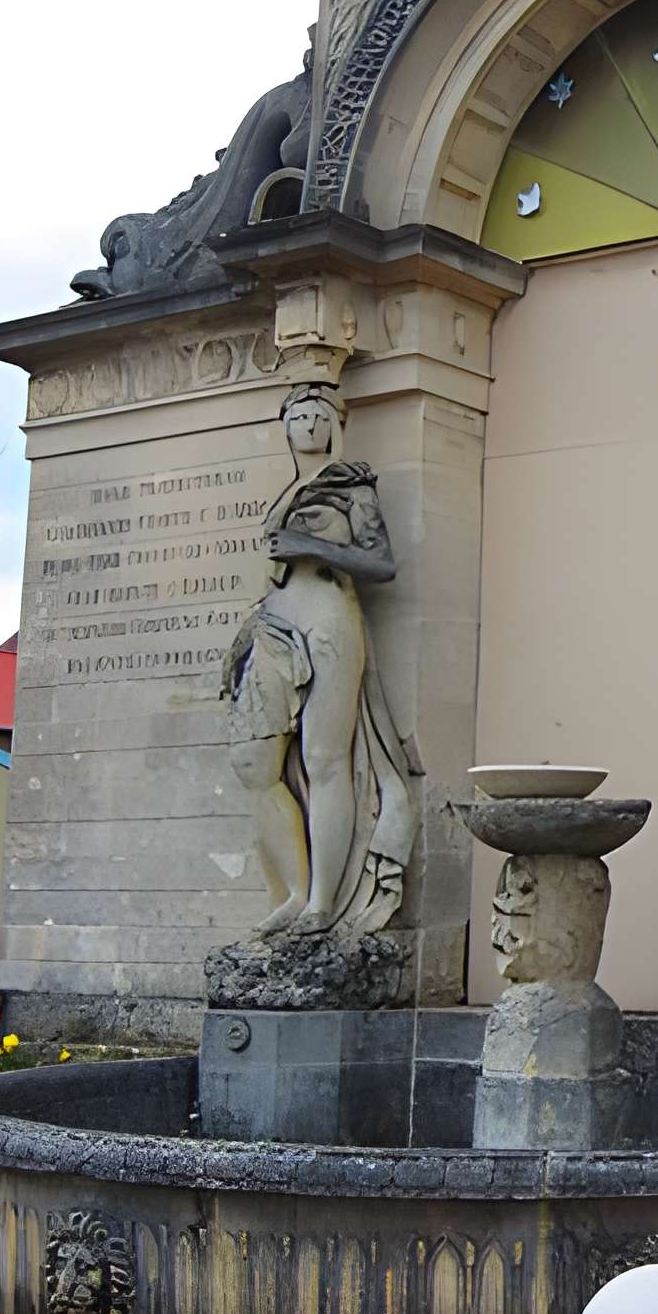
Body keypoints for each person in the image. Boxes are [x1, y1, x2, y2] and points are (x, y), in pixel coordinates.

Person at [221, 385, 417, 940]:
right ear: (284, 428)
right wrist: (244, 639)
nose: (308, 425)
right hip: (275, 627)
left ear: (336, 423)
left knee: (325, 758)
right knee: (252, 765)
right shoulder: (288, 490)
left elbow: (379, 562)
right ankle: (295, 890)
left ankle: (322, 904)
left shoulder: (351, 484)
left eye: (318, 415)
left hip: (330, 622)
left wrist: (313, 550)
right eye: (298, 416)